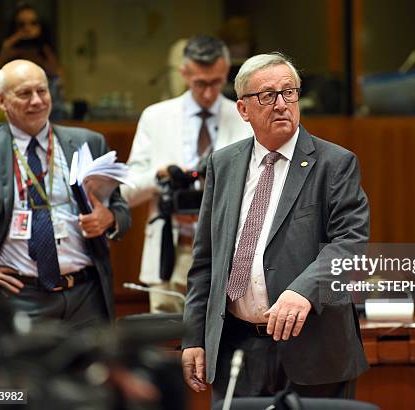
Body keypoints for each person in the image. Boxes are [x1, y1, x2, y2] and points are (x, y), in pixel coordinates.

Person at [181, 52, 369, 401]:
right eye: (267, 95)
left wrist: (304, 290)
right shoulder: (223, 164)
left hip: (313, 349)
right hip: (236, 348)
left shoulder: (335, 164)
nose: (282, 104)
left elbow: (350, 243)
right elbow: (205, 259)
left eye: (289, 92)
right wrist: (194, 336)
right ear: (243, 109)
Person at [0, 59, 130, 338]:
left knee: (93, 379)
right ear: (1, 100)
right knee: (25, 382)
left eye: (42, 91)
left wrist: (108, 218)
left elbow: (120, 208)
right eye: (25, 94)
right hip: (18, 298)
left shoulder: (88, 141)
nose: (37, 101)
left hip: (86, 296)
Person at [121, 35, 251, 313]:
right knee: (166, 348)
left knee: (223, 348)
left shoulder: (245, 116)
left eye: (216, 82)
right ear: (184, 74)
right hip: (172, 252)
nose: (207, 93)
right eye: (199, 83)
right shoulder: (155, 117)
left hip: (228, 253)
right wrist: (161, 178)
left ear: (226, 72)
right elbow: (127, 190)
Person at [0, 3, 64, 119]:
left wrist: (45, 54)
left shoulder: (47, 56)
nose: (27, 29)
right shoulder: (7, 56)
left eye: (33, 23)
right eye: (21, 25)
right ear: (14, 28)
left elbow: (59, 92)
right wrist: (5, 52)